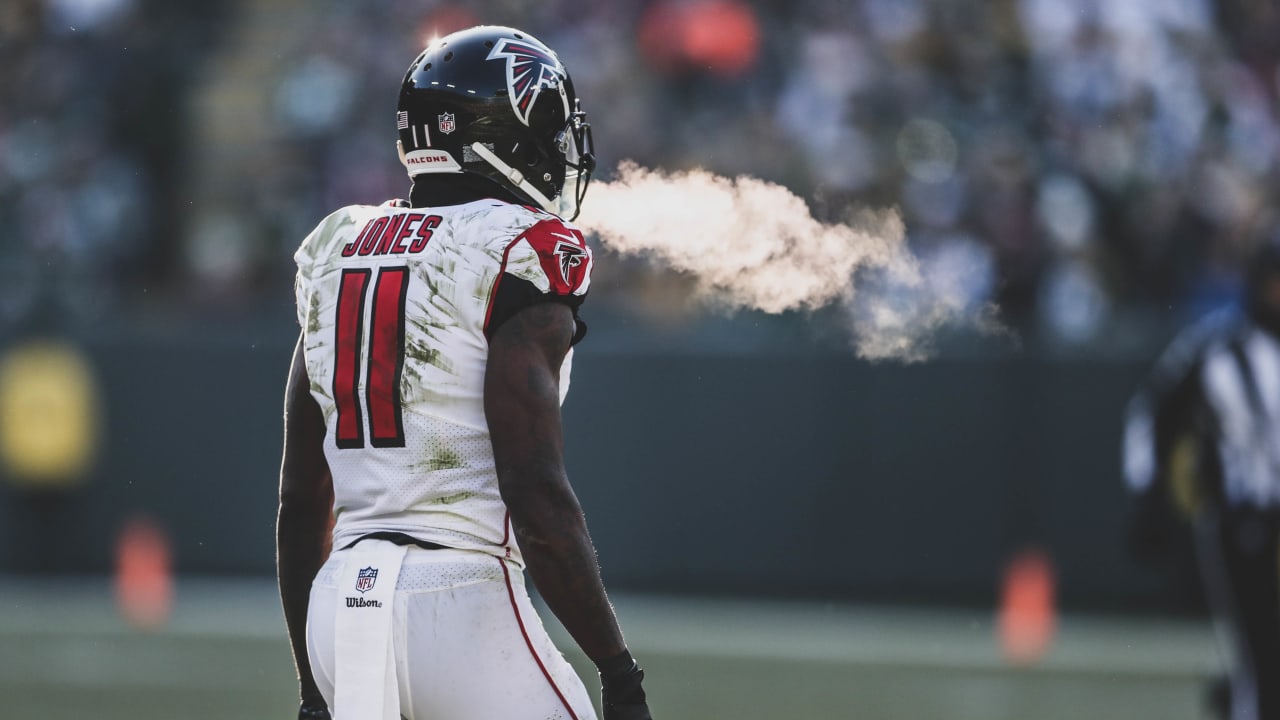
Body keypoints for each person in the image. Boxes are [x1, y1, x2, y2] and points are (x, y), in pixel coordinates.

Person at [276, 25, 652, 720]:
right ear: (502, 133)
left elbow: (302, 498)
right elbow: (535, 493)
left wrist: (311, 680)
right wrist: (618, 670)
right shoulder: (512, 248)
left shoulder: (337, 248)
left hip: (338, 609)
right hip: (460, 597)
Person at [1122, 236, 1280, 720]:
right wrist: (1148, 497)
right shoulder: (1214, 349)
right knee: (1261, 656)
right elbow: (1150, 418)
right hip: (1242, 520)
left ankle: (1235, 698)